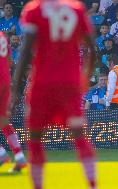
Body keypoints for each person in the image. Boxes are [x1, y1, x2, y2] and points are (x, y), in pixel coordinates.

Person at [13, 1, 97, 189]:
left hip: (42, 82)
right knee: (79, 136)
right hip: (70, 82)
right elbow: (91, 47)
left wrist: (16, 86)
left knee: (35, 139)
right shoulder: (76, 9)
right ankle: (93, 184)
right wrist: (85, 78)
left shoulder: (34, 9)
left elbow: (25, 50)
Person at [0, 31, 27, 172]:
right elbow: (10, 61)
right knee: (3, 120)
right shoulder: (2, 36)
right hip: (5, 81)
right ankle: (20, 157)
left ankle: (2, 155)